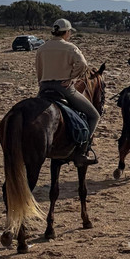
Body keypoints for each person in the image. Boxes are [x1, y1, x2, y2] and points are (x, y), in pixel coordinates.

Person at [35, 18, 100, 167]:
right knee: (93, 115)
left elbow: (39, 69)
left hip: (44, 87)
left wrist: (42, 83)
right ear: (67, 32)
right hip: (64, 88)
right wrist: (73, 77)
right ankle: (82, 152)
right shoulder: (70, 47)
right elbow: (83, 64)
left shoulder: (42, 48)